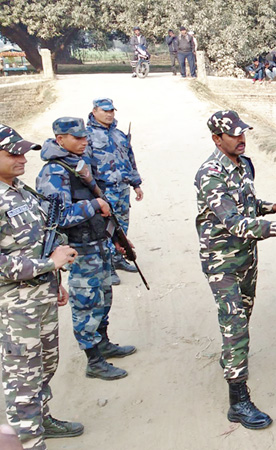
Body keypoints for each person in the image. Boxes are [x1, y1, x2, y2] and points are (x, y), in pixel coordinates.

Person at [195, 110, 276, 429]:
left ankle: (231, 355)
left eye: (242, 132)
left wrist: (272, 206)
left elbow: (245, 205)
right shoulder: (210, 174)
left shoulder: (244, 164)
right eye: (233, 135)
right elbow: (233, 222)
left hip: (246, 255)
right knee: (235, 322)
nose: (241, 139)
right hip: (222, 261)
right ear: (216, 140)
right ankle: (238, 400)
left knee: (243, 316)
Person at [0, 125, 83, 449]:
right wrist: (50, 264)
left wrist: (54, 279)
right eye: (13, 153)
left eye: (23, 152)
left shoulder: (19, 189)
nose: (22, 158)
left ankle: (41, 419)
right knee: (24, 380)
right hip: (16, 308)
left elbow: (38, 243)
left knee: (47, 366)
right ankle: (29, 440)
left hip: (41, 296)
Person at [36, 117, 134, 381]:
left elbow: (98, 205)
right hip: (79, 250)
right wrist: (94, 205)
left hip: (98, 243)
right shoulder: (54, 172)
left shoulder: (78, 163)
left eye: (84, 137)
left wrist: (114, 237)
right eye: (77, 138)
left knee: (103, 298)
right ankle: (93, 360)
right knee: (86, 304)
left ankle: (103, 343)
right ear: (60, 140)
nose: (84, 141)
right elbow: (57, 217)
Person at [85, 98, 143, 282]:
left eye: (112, 111)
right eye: (105, 111)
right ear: (94, 111)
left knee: (122, 226)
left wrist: (136, 184)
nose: (109, 114)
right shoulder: (87, 136)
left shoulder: (119, 134)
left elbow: (129, 159)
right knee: (105, 229)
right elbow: (85, 168)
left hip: (122, 189)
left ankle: (118, 258)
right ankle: (107, 266)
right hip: (103, 190)